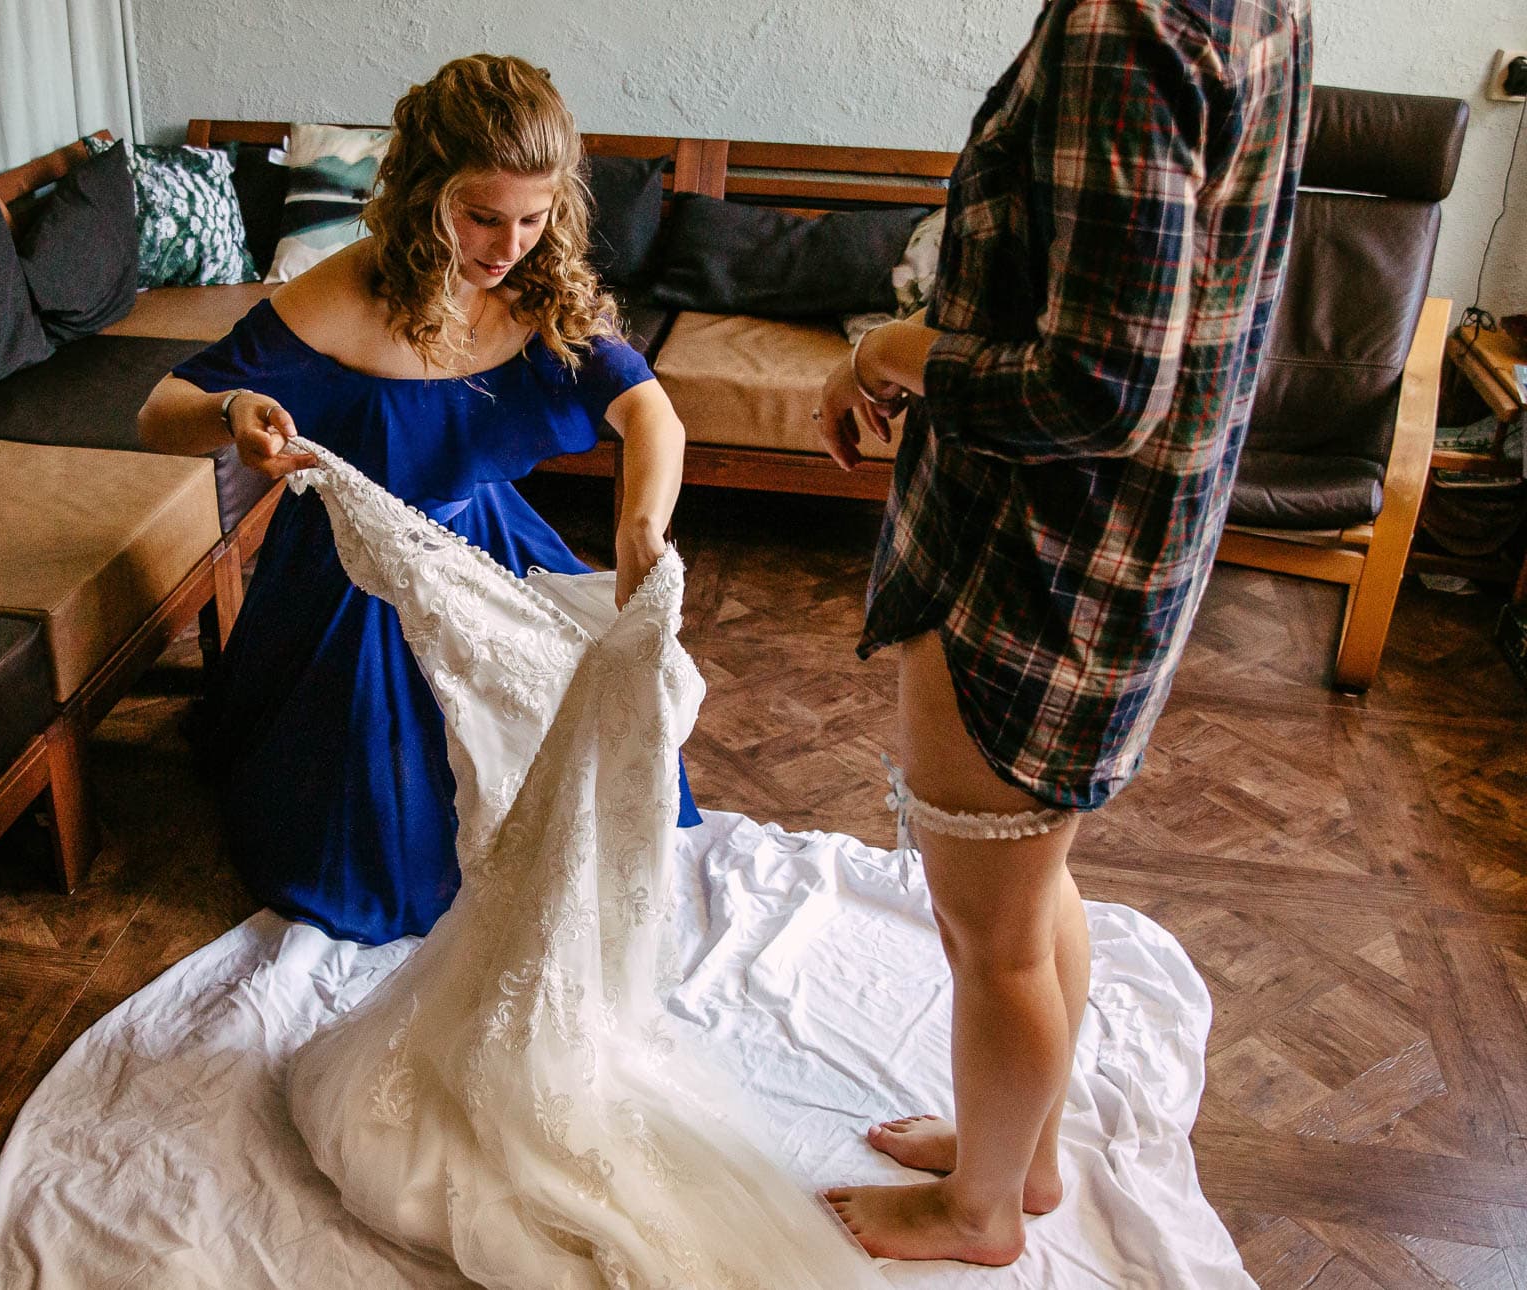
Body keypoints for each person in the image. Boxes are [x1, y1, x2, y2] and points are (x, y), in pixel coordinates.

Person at [812, 0, 1312, 1266]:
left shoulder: (1121, 26)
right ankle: (1018, 1158)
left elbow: (1092, 386)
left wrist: (890, 348)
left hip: (1038, 555)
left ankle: (977, 1212)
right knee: (1028, 894)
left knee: (990, 935)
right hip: (1120, 542)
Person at [136, 53, 697, 946]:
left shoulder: (541, 285)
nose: (508, 246)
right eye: (480, 218)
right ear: (424, 194)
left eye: (533, 217)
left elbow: (652, 414)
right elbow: (158, 414)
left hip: (488, 551)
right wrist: (233, 408)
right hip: (353, 582)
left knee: (569, 755)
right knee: (387, 835)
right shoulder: (340, 293)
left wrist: (638, 525)